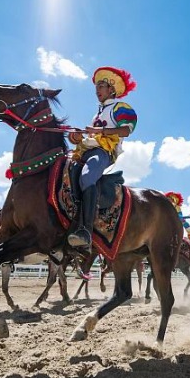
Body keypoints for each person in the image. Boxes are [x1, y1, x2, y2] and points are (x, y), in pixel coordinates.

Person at [67, 66, 138, 249]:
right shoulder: (97, 113)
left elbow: (126, 130)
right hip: (86, 150)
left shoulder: (120, 107)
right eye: (96, 87)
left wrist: (100, 130)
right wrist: (77, 137)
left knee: (88, 177)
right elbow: (90, 137)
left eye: (101, 86)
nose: (97, 90)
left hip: (103, 153)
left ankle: (86, 231)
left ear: (111, 89)